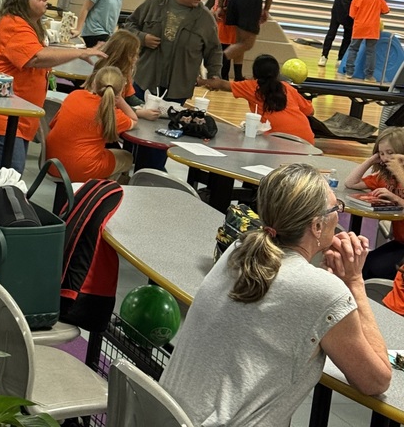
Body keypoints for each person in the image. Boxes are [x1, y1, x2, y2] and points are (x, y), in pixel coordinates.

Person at [161, 163, 391, 426]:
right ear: (317, 226)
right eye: (336, 208)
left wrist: (326, 279)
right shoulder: (322, 291)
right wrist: (354, 282)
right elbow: (376, 380)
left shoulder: (238, 250)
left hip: (165, 416)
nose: (339, 215)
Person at [0, 0, 106, 172]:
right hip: (3, 116)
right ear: (22, 0)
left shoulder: (27, 25)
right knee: (10, 179)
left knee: (10, 178)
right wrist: (80, 52)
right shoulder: (13, 24)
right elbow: (35, 58)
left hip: (18, 116)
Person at [125, 0, 221, 105]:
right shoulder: (156, 2)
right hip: (145, 80)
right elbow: (129, 25)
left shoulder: (205, 18)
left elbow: (214, 50)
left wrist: (214, 74)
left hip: (178, 89)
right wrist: (142, 38)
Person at [46, 66, 137, 182]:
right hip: (81, 169)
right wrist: (120, 101)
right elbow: (134, 120)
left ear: (94, 83)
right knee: (127, 157)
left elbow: (53, 124)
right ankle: (98, 194)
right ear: (120, 91)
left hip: (51, 162)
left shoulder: (75, 95)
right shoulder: (112, 114)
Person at [206, 53, 315, 143]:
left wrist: (199, 81)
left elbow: (221, 84)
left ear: (255, 73)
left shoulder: (252, 86)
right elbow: (310, 111)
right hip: (307, 141)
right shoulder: (287, 87)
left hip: (280, 142)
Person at [345, 127, 404, 280]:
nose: (385, 158)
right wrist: (372, 159)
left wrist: (396, 198)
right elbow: (351, 182)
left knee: (375, 267)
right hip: (400, 242)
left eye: (390, 153)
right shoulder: (386, 177)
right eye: (381, 153)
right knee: (364, 264)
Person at [319, 0, 369, 68]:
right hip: (339, 11)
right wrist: (354, 15)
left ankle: (341, 58)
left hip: (351, 15)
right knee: (331, 33)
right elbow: (345, 2)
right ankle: (324, 56)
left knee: (347, 37)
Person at [345, 0, 390, 82]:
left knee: (353, 49)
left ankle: (349, 73)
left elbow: (352, 14)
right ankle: (368, 76)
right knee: (371, 51)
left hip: (359, 27)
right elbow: (386, 10)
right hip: (372, 28)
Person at [208, 0, 237, 80]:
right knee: (219, 52)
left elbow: (232, 4)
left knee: (224, 53)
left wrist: (220, 10)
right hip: (220, 23)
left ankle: (223, 77)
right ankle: (218, 76)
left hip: (227, 24)